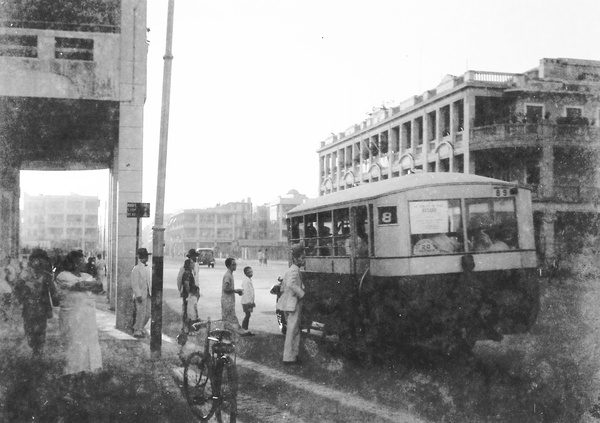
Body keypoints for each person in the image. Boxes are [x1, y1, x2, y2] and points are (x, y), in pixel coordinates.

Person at [55, 250, 103, 381]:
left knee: (88, 345)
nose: (83, 263)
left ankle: (84, 375)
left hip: (87, 317)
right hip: (72, 316)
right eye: (79, 261)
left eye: (83, 260)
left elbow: (99, 286)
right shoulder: (63, 276)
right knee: (74, 345)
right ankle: (70, 377)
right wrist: (90, 285)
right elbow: (79, 285)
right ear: (72, 263)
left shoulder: (86, 275)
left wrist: (90, 284)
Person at [13, 248, 56, 358]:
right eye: (38, 260)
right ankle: (34, 347)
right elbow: (17, 289)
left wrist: (53, 304)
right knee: (29, 332)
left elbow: (51, 292)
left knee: (41, 332)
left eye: (43, 260)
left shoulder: (46, 275)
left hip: (42, 309)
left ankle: (38, 353)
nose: (40, 263)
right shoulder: (24, 274)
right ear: (32, 260)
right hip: (29, 308)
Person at [277, 244, 306, 365]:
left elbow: (284, 286)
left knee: (294, 330)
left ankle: (293, 355)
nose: (304, 260)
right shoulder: (294, 270)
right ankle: (288, 358)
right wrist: (301, 293)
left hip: (289, 303)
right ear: (296, 259)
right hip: (293, 304)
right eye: (302, 258)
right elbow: (290, 284)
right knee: (292, 331)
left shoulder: (291, 269)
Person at [221, 258, 253, 336]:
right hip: (227, 300)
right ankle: (239, 332)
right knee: (230, 318)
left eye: (235, 264)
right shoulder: (228, 275)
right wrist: (236, 290)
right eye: (233, 264)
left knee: (229, 318)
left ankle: (232, 332)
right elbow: (225, 288)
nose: (235, 266)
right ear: (228, 266)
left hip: (229, 299)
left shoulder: (230, 274)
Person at [131, 248, 151, 338]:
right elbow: (134, 283)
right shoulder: (136, 269)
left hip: (148, 293)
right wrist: (138, 295)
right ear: (142, 257)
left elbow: (149, 282)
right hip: (140, 295)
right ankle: (137, 330)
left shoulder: (147, 268)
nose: (146, 258)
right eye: (145, 256)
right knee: (140, 312)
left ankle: (141, 327)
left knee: (148, 313)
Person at [177, 249, 199, 329]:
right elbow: (179, 280)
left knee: (193, 309)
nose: (195, 258)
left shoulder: (196, 266)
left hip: (194, 291)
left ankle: (192, 326)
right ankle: (185, 326)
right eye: (194, 256)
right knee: (186, 310)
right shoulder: (184, 268)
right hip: (187, 292)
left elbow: (196, 279)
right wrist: (181, 290)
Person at [182, 258, 200, 326]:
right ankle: (189, 328)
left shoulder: (190, 272)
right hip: (189, 295)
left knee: (191, 312)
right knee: (190, 313)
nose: (193, 264)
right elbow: (187, 284)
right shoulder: (187, 273)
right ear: (189, 265)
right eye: (192, 263)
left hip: (191, 294)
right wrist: (190, 293)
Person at [241, 266, 255, 331]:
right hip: (246, 302)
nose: (251, 273)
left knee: (248, 315)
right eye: (249, 272)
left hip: (248, 301)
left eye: (251, 271)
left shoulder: (248, 280)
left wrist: (252, 302)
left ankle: (245, 327)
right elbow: (246, 292)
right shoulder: (246, 281)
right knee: (247, 315)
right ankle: (244, 327)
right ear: (246, 273)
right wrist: (249, 302)